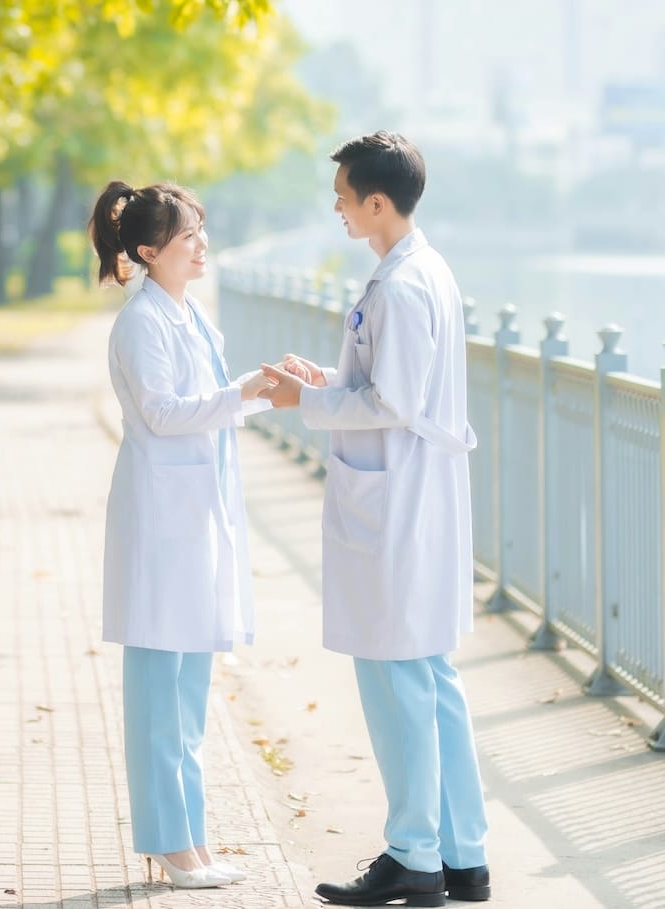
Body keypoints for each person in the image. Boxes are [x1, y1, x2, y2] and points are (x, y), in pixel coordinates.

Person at [258, 131, 491, 907]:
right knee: (429, 674)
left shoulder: (397, 286)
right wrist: (326, 378)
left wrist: (307, 400)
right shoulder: (426, 271)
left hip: (398, 505)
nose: (337, 207)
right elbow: (396, 384)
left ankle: (413, 856)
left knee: (397, 681)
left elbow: (391, 403)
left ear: (377, 202)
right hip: (416, 493)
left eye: (344, 195)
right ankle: (464, 855)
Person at [89, 181, 273, 890]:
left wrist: (257, 390)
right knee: (159, 691)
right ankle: (168, 840)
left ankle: (190, 838)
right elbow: (166, 413)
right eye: (188, 235)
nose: (202, 246)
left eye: (201, 232)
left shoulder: (192, 318)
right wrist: (244, 392)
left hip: (196, 517)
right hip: (160, 524)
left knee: (190, 689)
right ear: (147, 251)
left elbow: (211, 408)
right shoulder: (141, 324)